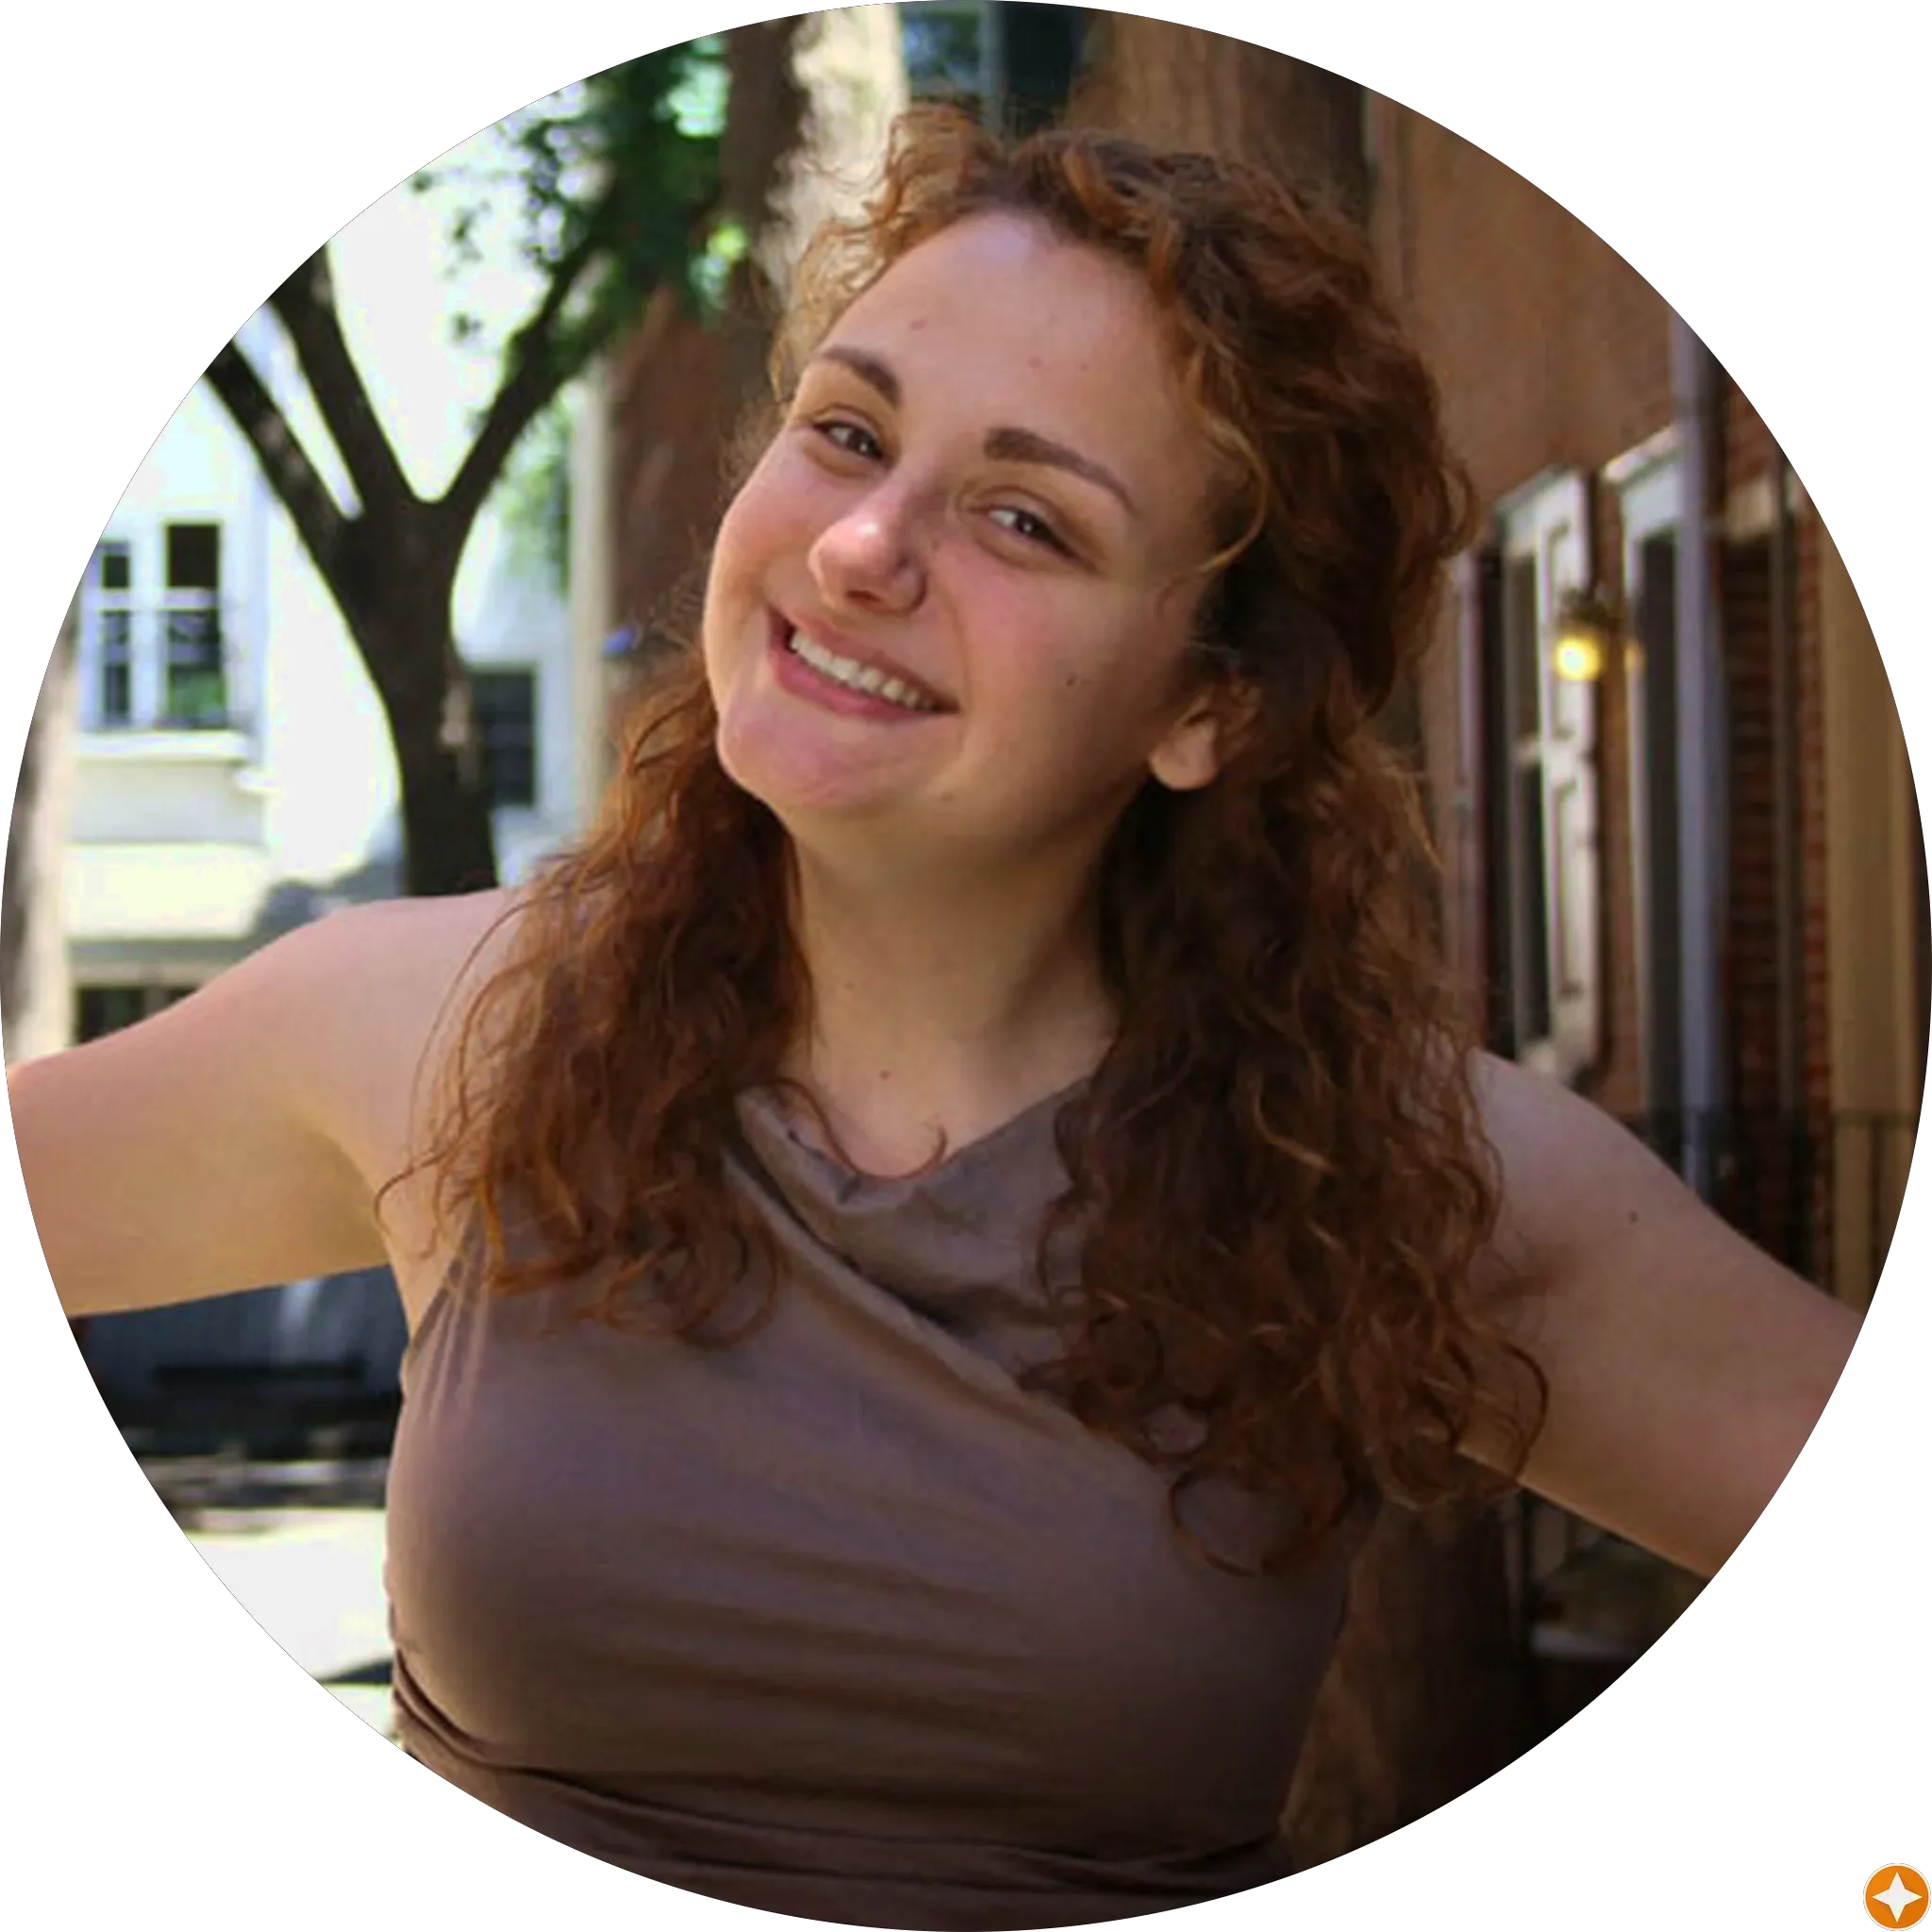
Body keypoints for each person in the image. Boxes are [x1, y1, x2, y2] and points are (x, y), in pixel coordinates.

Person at [12, 103, 1865, 1932]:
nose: (860, 547)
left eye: (1024, 519)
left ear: (1208, 707)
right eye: (846, 431)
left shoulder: (1402, 1171)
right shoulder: (435, 1031)